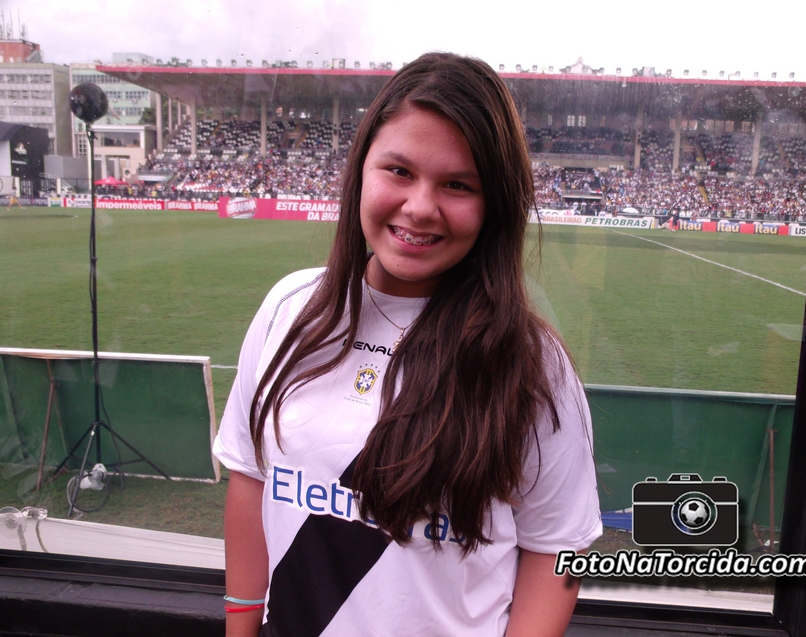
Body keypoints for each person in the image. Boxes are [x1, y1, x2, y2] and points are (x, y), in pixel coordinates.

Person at [214, 52, 602, 637]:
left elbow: (556, 551)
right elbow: (250, 477)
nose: (420, 207)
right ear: (361, 170)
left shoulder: (532, 365)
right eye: (399, 170)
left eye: (457, 184)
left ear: (494, 205)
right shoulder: (289, 310)